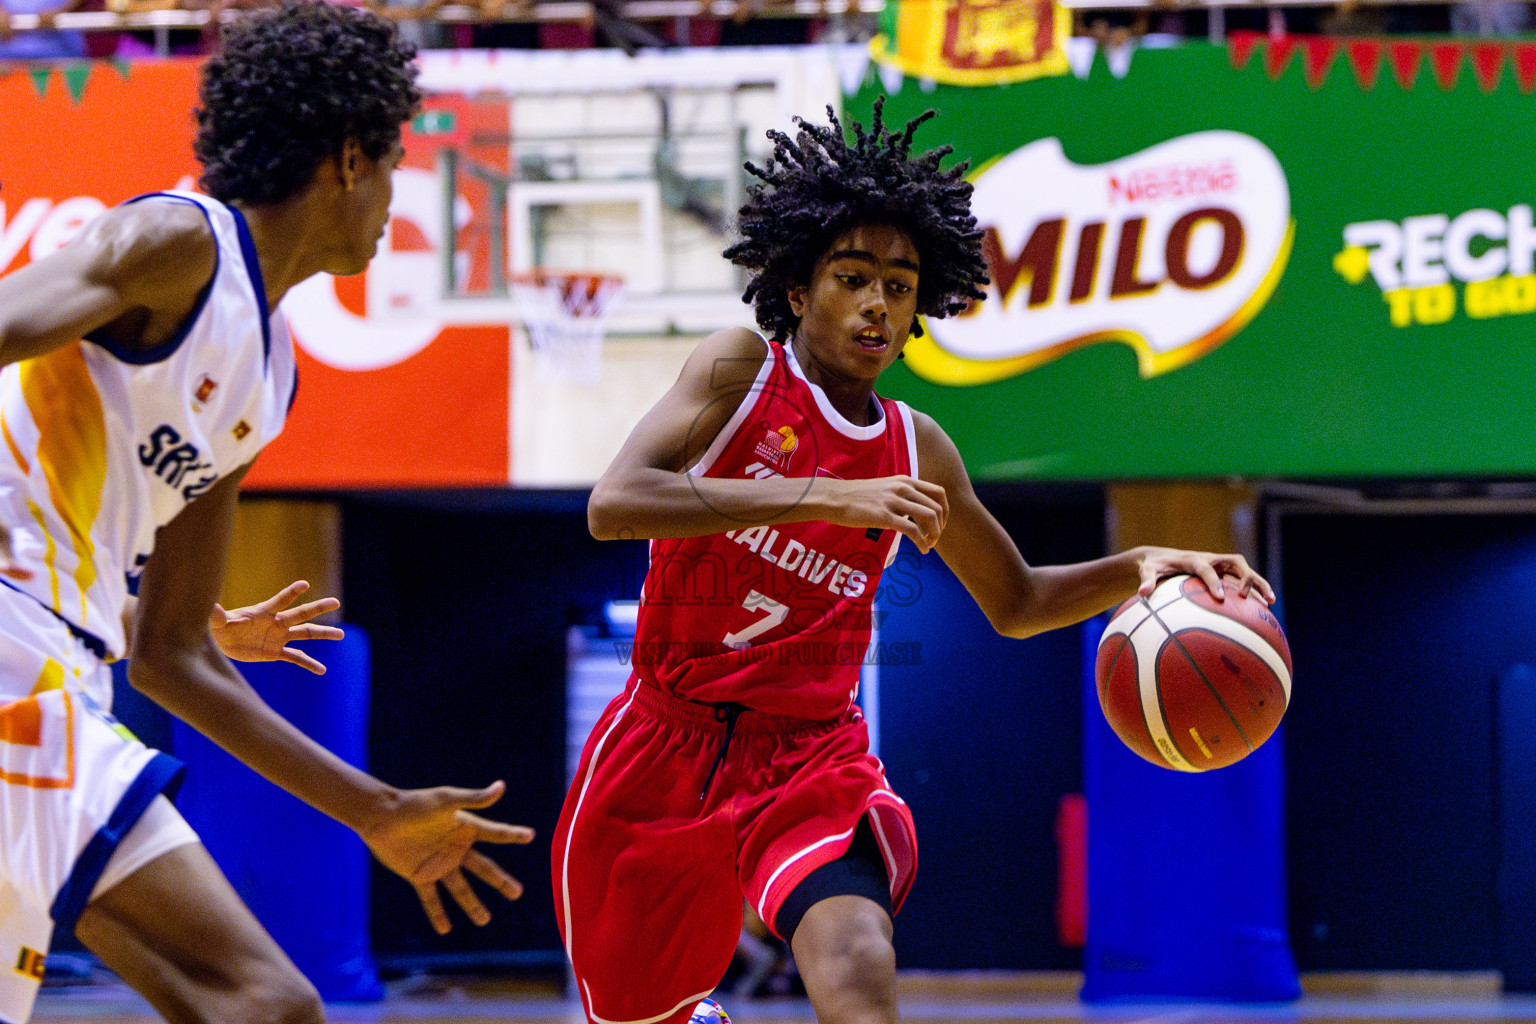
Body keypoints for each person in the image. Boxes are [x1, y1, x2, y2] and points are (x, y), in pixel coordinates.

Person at [558, 99, 1277, 1024]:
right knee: (635, 1017)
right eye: (851, 277)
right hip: (662, 742)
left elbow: (1016, 601)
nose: (876, 304)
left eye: (898, 286)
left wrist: (1139, 564)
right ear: (795, 290)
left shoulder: (916, 445)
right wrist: (821, 495)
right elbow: (614, 504)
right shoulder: (738, 375)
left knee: (857, 964)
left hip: (807, 756)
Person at [0, 3, 532, 1023]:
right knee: (262, 1003)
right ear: (346, 157)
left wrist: (373, 810)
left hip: (72, 660)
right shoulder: (173, 239)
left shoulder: (267, 375)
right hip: (19, 659)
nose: (392, 199)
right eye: (393, 165)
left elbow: (173, 655)